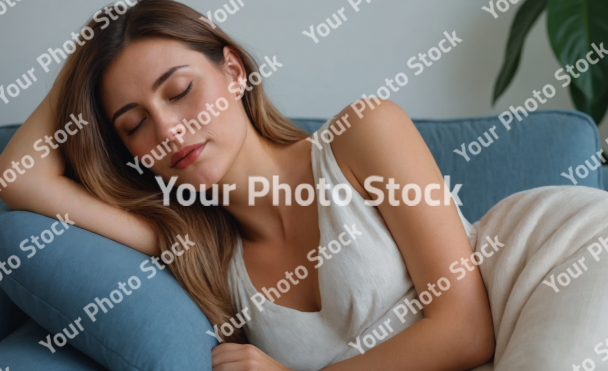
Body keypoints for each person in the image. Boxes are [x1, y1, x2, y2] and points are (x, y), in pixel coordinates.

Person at [2, 0, 502, 370]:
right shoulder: (197, 249)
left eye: (179, 90)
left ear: (234, 72)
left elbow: (467, 330)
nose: (168, 131)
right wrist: (90, 56)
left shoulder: (363, 135)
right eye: (135, 125)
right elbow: (18, 177)